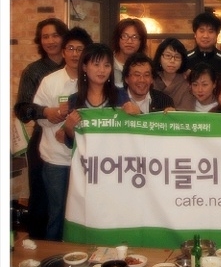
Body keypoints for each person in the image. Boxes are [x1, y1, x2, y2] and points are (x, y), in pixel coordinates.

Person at [32, 27, 93, 240]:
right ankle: (54, 255)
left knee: (85, 212)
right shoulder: (50, 81)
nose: (75, 54)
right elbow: (38, 116)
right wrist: (57, 116)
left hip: (87, 161)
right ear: (64, 52)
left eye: (80, 49)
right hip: (56, 159)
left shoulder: (93, 81)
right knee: (57, 212)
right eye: (71, 48)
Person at [13, 17, 69, 239]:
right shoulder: (34, 71)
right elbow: (21, 109)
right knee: (42, 199)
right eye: (45, 36)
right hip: (42, 141)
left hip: (72, 140)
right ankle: (38, 244)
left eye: (55, 35)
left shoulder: (76, 68)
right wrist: (45, 111)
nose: (50, 41)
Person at [63, 43, 133, 146]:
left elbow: (132, 133)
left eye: (107, 65)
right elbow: (73, 145)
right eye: (96, 64)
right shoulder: (74, 100)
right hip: (87, 156)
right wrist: (69, 128)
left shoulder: (120, 95)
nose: (102, 70)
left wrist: (136, 113)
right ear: (84, 67)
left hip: (115, 154)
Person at [152, 38, 194, 111]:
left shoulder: (187, 82)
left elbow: (188, 111)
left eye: (177, 57)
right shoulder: (151, 79)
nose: (172, 61)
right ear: (159, 58)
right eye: (168, 55)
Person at [111, 18, 148, 87]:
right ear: (117, 38)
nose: (129, 41)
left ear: (141, 41)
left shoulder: (146, 66)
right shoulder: (108, 62)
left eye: (135, 37)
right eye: (125, 36)